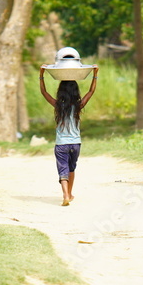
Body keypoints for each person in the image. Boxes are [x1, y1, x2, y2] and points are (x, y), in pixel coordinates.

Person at [39, 64, 98, 206]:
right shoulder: (78, 106)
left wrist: (41, 74)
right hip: (75, 143)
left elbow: (44, 92)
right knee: (71, 168)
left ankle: (65, 195)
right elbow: (90, 92)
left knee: (63, 169)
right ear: (75, 92)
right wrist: (94, 74)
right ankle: (70, 194)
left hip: (61, 144)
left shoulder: (58, 106)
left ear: (61, 92)